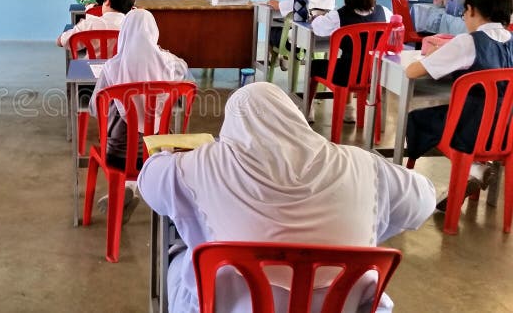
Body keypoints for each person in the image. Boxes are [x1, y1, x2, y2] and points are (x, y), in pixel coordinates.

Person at [139, 82, 435, 313]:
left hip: (232, 306)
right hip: (342, 306)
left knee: (179, 253)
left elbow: (148, 182)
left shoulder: (200, 165)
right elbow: (423, 200)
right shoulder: (364, 166)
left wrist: (173, 156)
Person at [405, 0, 513, 210]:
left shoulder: (468, 41)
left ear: (472, 10)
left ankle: (472, 168)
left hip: (470, 129)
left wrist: (433, 55)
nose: (464, 18)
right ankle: (474, 169)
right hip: (505, 130)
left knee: (418, 118)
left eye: (464, 12)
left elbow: (412, 72)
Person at [89, 9, 188, 222]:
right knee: (157, 132)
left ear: (123, 33)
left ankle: (128, 186)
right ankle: (143, 190)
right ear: (155, 32)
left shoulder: (112, 66)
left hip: (118, 154)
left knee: (118, 118)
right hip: (160, 151)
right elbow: (185, 74)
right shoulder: (169, 63)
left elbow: (95, 108)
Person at [308, 0, 392, 122]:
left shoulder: (338, 15)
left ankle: (308, 110)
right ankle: (349, 109)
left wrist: (317, 18)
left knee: (315, 65)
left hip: (344, 74)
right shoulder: (384, 12)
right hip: (375, 73)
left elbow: (319, 30)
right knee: (349, 63)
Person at [267, 0, 336, 60]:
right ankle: (287, 58)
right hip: (323, 39)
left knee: (272, 30)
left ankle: (280, 58)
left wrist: (271, 1)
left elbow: (277, 6)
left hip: (298, 42)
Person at [58, 0, 135, 57]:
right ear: (131, 7)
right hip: (122, 69)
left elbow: (62, 41)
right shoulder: (134, 27)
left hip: (91, 69)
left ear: (107, 1)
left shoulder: (89, 24)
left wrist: (60, 38)